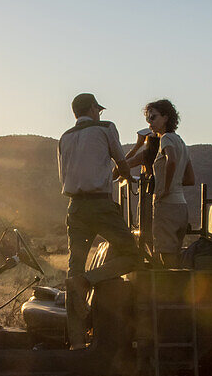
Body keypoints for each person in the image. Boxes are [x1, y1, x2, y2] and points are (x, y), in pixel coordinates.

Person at [57, 93, 139, 338]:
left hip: (75, 206)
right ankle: (88, 280)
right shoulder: (106, 128)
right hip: (100, 205)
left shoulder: (65, 137)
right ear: (93, 108)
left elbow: (64, 176)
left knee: (74, 265)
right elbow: (122, 162)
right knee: (132, 255)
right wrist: (125, 176)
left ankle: (77, 340)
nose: (99, 113)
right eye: (98, 109)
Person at [126, 98, 196, 267]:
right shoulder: (181, 142)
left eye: (153, 117)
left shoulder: (165, 139)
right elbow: (190, 178)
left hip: (166, 206)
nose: (150, 123)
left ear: (166, 117)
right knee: (175, 255)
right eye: (148, 119)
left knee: (165, 257)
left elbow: (171, 160)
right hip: (181, 205)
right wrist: (174, 183)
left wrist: (164, 188)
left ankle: (168, 292)